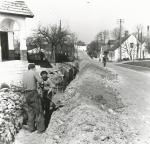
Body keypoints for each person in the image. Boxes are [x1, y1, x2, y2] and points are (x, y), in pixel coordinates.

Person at [22, 63, 45, 133]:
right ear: (33, 68)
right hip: (33, 93)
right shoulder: (34, 72)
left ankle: (31, 128)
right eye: (35, 68)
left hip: (26, 94)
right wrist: (42, 82)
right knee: (39, 111)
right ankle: (41, 129)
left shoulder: (25, 74)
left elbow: (24, 85)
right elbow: (41, 81)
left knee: (30, 111)